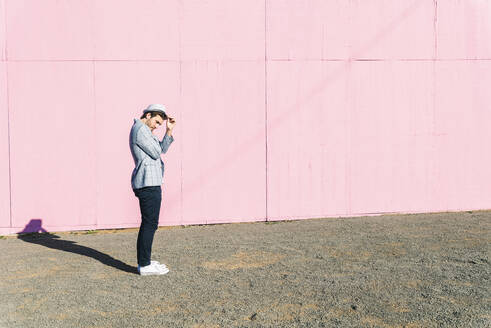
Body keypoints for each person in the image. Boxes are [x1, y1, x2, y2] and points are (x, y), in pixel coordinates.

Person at [129, 104, 176, 276]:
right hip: (147, 182)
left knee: (150, 223)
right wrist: (156, 139)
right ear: (148, 115)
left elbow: (162, 149)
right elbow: (157, 153)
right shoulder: (141, 130)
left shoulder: (147, 132)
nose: (157, 126)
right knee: (149, 223)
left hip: (152, 181)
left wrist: (169, 131)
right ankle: (144, 265)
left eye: (159, 124)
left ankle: (145, 261)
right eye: (156, 122)